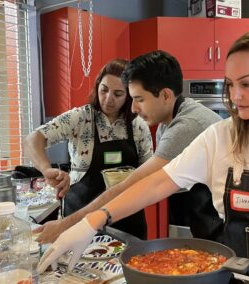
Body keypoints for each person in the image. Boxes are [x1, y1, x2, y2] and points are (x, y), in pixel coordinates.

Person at [37, 30, 249, 283]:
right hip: (239, 278)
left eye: (247, 84)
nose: (235, 97)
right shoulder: (219, 137)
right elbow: (156, 183)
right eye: (230, 85)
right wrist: (94, 219)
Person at [32, 50, 222, 244]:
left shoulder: (184, 125)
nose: (133, 108)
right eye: (104, 90)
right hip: (207, 216)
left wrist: (67, 225)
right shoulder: (167, 122)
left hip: (224, 220)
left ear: (165, 95)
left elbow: (138, 183)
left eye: (138, 99)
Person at [24, 59, 153, 239]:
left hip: (127, 218)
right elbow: (33, 139)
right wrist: (46, 169)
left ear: (129, 96)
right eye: (104, 90)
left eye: (118, 94)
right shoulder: (80, 118)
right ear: (97, 86)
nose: (108, 99)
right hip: (80, 217)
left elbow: (149, 174)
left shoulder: (138, 125)